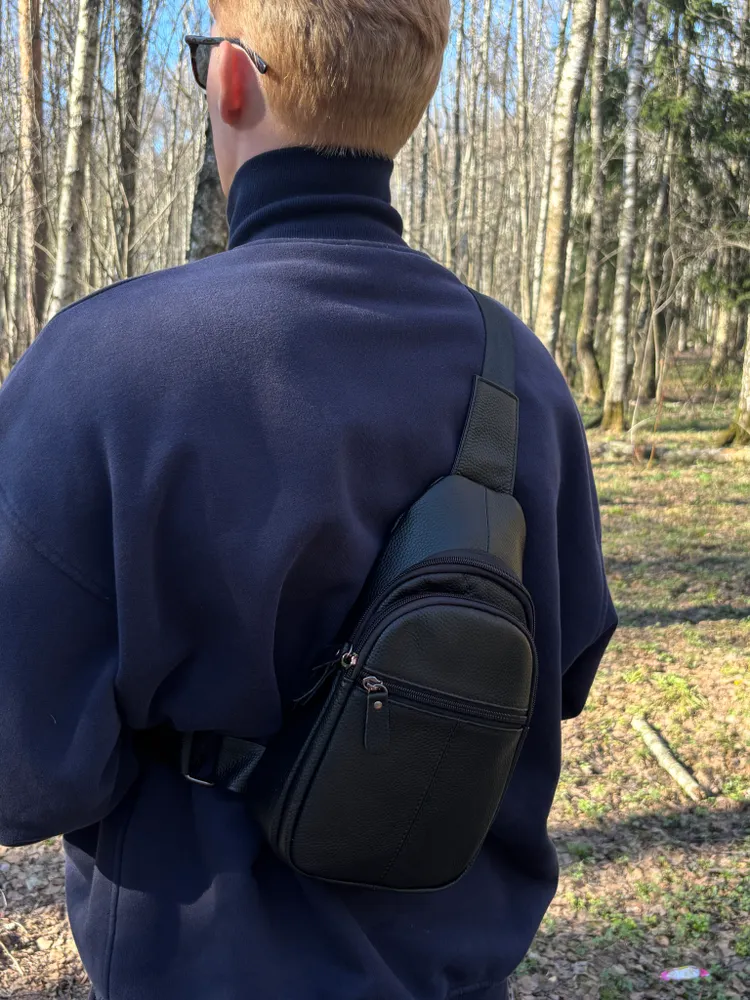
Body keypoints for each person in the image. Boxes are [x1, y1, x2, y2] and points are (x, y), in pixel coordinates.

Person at [0, 2, 617, 998]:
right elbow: (564, 673)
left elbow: (22, 772)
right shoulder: (524, 380)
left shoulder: (99, 368)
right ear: (412, 100)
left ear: (230, 79)